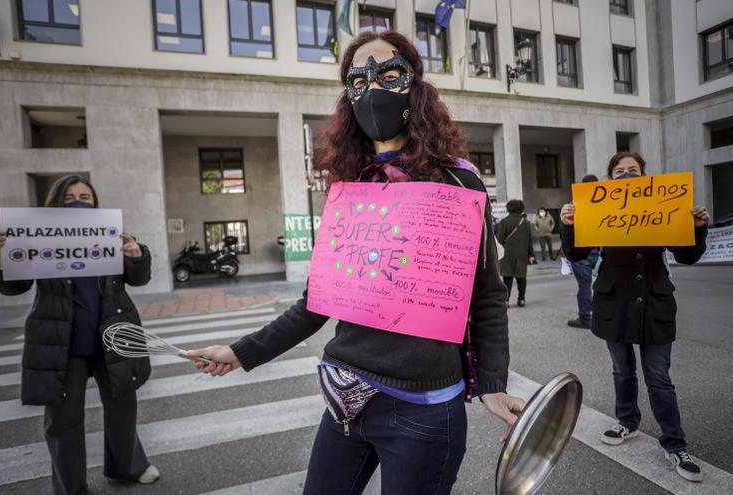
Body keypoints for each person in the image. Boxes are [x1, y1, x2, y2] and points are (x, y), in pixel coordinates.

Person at [186, 31, 524, 495]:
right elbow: (316, 301)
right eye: (357, 81)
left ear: (416, 87)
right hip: (346, 399)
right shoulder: (350, 188)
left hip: (425, 410)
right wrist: (241, 353)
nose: (373, 90)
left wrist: (493, 383)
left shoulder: (459, 182)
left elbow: (486, 294)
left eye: (388, 75)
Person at [0, 175, 158, 494]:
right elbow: (14, 287)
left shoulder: (112, 236)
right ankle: (70, 487)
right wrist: (0, 260)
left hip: (112, 337)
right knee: (62, 420)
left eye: (85, 196)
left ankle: (128, 467)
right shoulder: (35, 239)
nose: (79, 201)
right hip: (63, 342)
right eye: (69, 198)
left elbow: (139, 278)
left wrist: (136, 254)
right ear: (54, 204)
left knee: (123, 409)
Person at [559, 151, 710, 483]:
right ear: (611, 178)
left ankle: (675, 444)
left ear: (644, 176)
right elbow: (577, 253)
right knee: (622, 370)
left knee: (659, 377)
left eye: (633, 170)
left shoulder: (663, 205)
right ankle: (627, 421)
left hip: (654, 303)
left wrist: (697, 228)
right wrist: (568, 225)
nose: (626, 175)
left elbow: (686, 256)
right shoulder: (598, 208)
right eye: (619, 171)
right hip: (615, 303)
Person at [566, 174, 599, 329]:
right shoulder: (607, 202)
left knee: (584, 286)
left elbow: (566, 230)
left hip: (581, 251)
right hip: (600, 250)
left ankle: (585, 317)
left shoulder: (575, 203)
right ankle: (603, 316)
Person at [497, 199, 536, 307]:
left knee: (507, 279)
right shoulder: (526, 223)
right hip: (522, 254)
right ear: (521, 209)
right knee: (521, 278)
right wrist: (531, 255)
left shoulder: (504, 222)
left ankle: (506, 300)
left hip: (507, 255)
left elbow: (500, 241)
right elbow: (529, 241)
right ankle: (521, 299)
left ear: (509, 208)